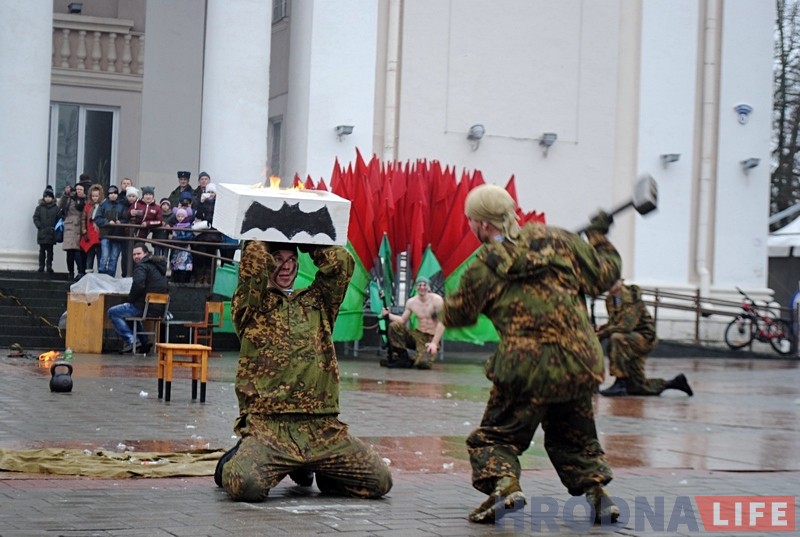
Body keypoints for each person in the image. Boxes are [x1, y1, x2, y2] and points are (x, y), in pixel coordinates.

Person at [429, 184, 622, 525]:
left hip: (526, 366)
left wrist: (440, 311)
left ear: (485, 225)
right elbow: (605, 274)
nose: (471, 228)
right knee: (575, 437)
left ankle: (505, 487)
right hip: (579, 361)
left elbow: (462, 314)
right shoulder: (561, 241)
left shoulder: (486, 264)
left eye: (472, 222)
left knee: (495, 437)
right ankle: (598, 496)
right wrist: (598, 234)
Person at [215, 240, 392, 502]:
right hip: (269, 426)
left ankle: (319, 467)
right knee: (246, 485)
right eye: (277, 260)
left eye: (291, 260)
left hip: (322, 428)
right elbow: (252, 267)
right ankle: (238, 456)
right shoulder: (251, 306)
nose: (285, 267)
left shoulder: (318, 303)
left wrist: (307, 239)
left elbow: (341, 263)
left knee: (379, 481)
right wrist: (265, 231)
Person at [596, 279, 693, 397]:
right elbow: (615, 322)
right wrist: (600, 329)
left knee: (616, 338)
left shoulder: (629, 297)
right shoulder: (611, 299)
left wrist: (601, 334)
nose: (608, 284)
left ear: (620, 281)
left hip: (644, 338)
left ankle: (620, 383)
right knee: (636, 386)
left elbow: (626, 326)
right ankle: (675, 383)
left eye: (612, 280)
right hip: (630, 338)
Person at [107, 242, 168, 354]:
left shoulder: (142, 266)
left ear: (146, 253)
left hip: (145, 307)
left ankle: (131, 341)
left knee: (112, 312)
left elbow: (138, 285)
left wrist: (130, 300)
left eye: (138, 253)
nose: (136, 257)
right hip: (159, 309)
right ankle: (144, 342)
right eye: (134, 254)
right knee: (128, 313)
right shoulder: (159, 268)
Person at [379, 276, 444, 369]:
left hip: (431, 337)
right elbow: (402, 320)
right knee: (394, 326)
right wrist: (388, 315)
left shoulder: (437, 300)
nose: (422, 287)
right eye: (419, 285)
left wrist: (434, 343)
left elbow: (442, 323)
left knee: (423, 364)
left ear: (429, 287)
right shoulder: (411, 302)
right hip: (417, 334)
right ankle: (402, 356)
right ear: (416, 288)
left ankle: (412, 359)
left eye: (424, 285)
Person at [94, 185, 128, 276]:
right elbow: (97, 218)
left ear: (117, 194)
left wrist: (120, 222)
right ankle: (101, 274)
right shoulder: (103, 205)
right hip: (105, 234)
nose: (113, 195)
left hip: (117, 235)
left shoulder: (122, 206)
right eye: (111, 193)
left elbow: (126, 219)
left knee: (114, 257)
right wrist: (107, 222)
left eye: (115, 193)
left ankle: (110, 276)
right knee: (104, 256)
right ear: (108, 195)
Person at [58, 182, 87, 280]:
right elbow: (60, 205)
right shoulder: (69, 199)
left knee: (80, 252)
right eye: (77, 189)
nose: (78, 191)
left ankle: (81, 271)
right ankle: (71, 272)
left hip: (81, 227)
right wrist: (65, 194)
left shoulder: (86, 200)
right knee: (70, 251)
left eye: (81, 189)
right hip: (70, 227)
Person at [32, 185, 60, 273]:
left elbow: (58, 219)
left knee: (50, 251)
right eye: (46, 196)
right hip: (42, 232)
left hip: (51, 233)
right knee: (42, 251)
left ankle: (49, 265)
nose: (47, 198)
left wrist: (55, 228)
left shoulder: (56, 208)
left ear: (52, 198)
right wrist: (39, 226)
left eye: (49, 197)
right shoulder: (39, 208)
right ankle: (41, 265)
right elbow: (35, 217)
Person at [79, 184, 104, 273]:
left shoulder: (103, 206)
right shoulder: (87, 206)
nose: (95, 198)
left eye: (96, 196)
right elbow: (83, 219)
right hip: (89, 233)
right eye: (93, 196)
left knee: (100, 256)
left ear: (100, 195)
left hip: (99, 234)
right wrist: (84, 231)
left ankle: (100, 274)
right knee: (90, 255)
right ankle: (88, 273)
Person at [169, 207, 194, 283]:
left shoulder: (188, 226)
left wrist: (174, 238)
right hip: (176, 250)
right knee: (175, 266)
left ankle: (184, 282)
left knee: (184, 266)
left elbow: (188, 237)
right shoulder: (175, 226)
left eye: (182, 216)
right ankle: (176, 281)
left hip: (185, 249)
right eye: (178, 216)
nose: (180, 218)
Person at [118, 178, 134, 277]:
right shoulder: (117, 198)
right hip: (119, 230)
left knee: (130, 254)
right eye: (124, 183)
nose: (126, 185)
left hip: (132, 231)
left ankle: (131, 274)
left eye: (128, 183)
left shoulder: (135, 199)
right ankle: (124, 274)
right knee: (122, 255)